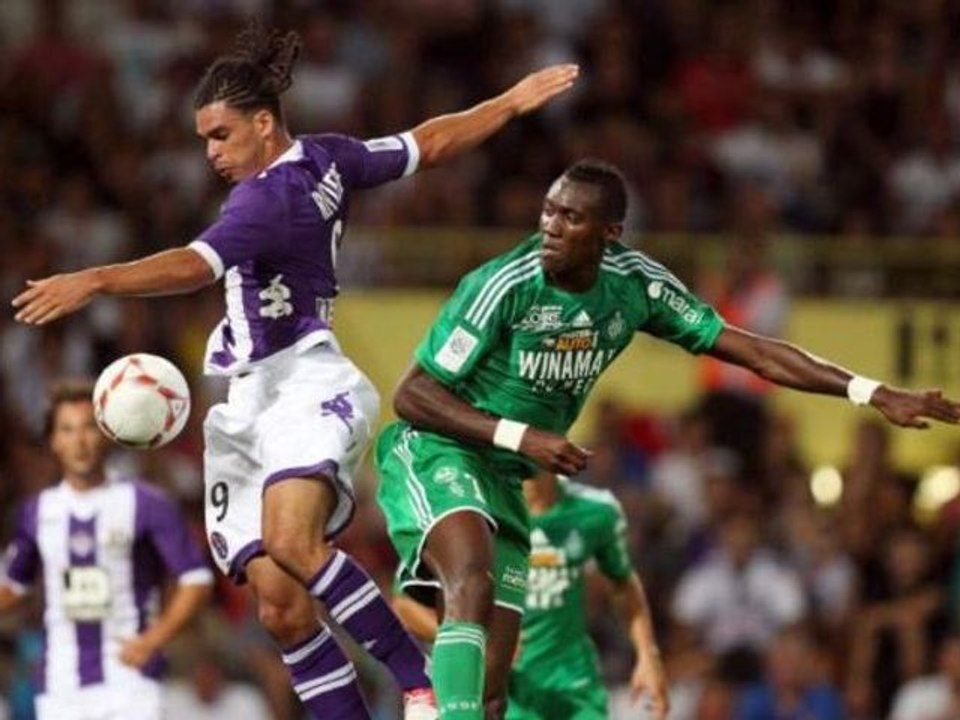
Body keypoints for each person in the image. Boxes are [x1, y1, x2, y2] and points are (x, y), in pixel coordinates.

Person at [10, 22, 579, 720]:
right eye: (203, 140)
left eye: (220, 136)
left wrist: (96, 278)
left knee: (292, 542)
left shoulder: (264, 199)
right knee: (280, 608)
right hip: (247, 400)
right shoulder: (328, 160)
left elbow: (194, 267)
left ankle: (419, 681)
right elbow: (428, 143)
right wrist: (510, 102)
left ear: (262, 122)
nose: (211, 154)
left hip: (306, 383)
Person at [373, 158, 960, 719]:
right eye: (548, 211)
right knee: (469, 577)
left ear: (609, 234)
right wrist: (520, 435)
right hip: (437, 448)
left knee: (493, 696)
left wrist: (871, 392)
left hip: (507, 474)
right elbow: (413, 394)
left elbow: (752, 350)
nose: (550, 227)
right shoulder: (504, 283)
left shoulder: (635, 286)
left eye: (570, 218)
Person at [0, 381, 213, 720]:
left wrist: (153, 640)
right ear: (53, 441)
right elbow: (14, 586)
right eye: (67, 430)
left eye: (89, 428)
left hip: (131, 680)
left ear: (107, 434)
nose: (80, 441)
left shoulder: (146, 503)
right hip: (60, 684)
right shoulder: (37, 511)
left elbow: (196, 578)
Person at [393, 472, 669, 720]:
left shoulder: (595, 511)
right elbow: (404, 604)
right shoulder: (471, 514)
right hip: (499, 691)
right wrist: (478, 640)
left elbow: (622, 581)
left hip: (573, 687)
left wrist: (648, 654)